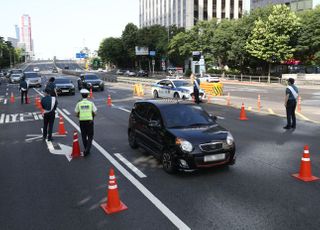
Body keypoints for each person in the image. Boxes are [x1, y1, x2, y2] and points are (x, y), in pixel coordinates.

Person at [75, 89, 97, 156]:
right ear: (87, 95)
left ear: (81, 95)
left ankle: (85, 148)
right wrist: (92, 115)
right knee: (90, 136)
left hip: (82, 121)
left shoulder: (79, 103)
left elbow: (76, 113)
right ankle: (87, 149)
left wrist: (80, 115)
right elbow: (95, 113)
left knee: (84, 136)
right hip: (89, 121)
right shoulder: (91, 103)